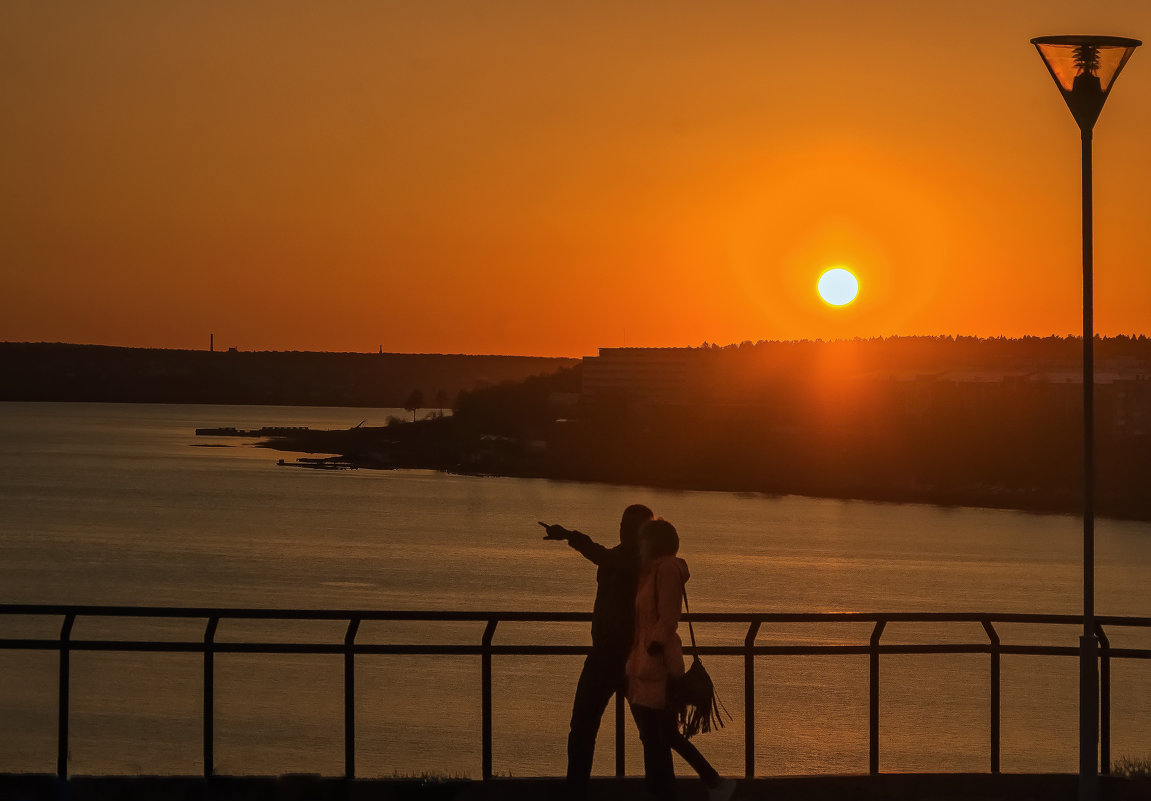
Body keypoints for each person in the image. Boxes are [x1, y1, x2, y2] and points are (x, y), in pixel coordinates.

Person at [539, 503, 654, 797]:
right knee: (581, 729)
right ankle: (575, 791)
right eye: (622, 526)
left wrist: (571, 536)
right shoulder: (616, 557)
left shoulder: (643, 563)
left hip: (631, 659)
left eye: (630, 528)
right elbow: (604, 556)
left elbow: (600, 555)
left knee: (650, 734)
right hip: (603, 655)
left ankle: (662, 789)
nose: (624, 532)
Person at [626, 518, 736, 801]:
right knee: (660, 735)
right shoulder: (653, 569)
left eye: (643, 539)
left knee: (658, 735)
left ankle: (698, 785)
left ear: (653, 541)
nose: (640, 544)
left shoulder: (666, 569)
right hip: (644, 661)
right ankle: (703, 784)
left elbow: (669, 615)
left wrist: (653, 644)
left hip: (657, 663)